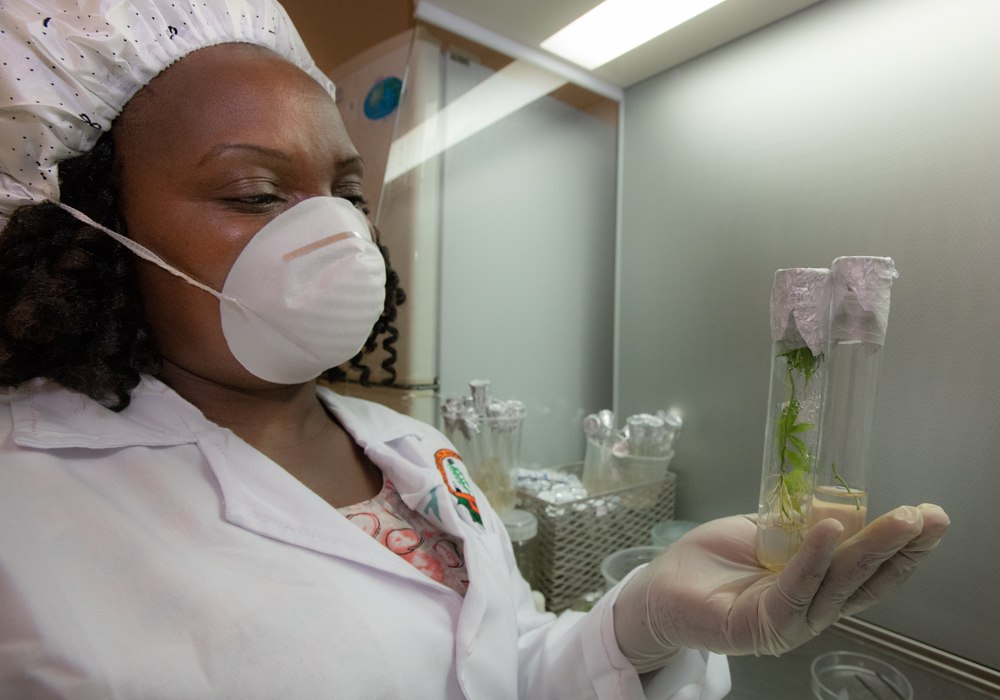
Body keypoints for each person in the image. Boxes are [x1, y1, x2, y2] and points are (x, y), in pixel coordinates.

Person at [0, 1, 950, 698]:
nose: (331, 235)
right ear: (88, 227)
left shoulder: (411, 452)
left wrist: (644, 624)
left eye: (346, 192)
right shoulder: (27, 505)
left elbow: (502, 672)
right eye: (253, 191)